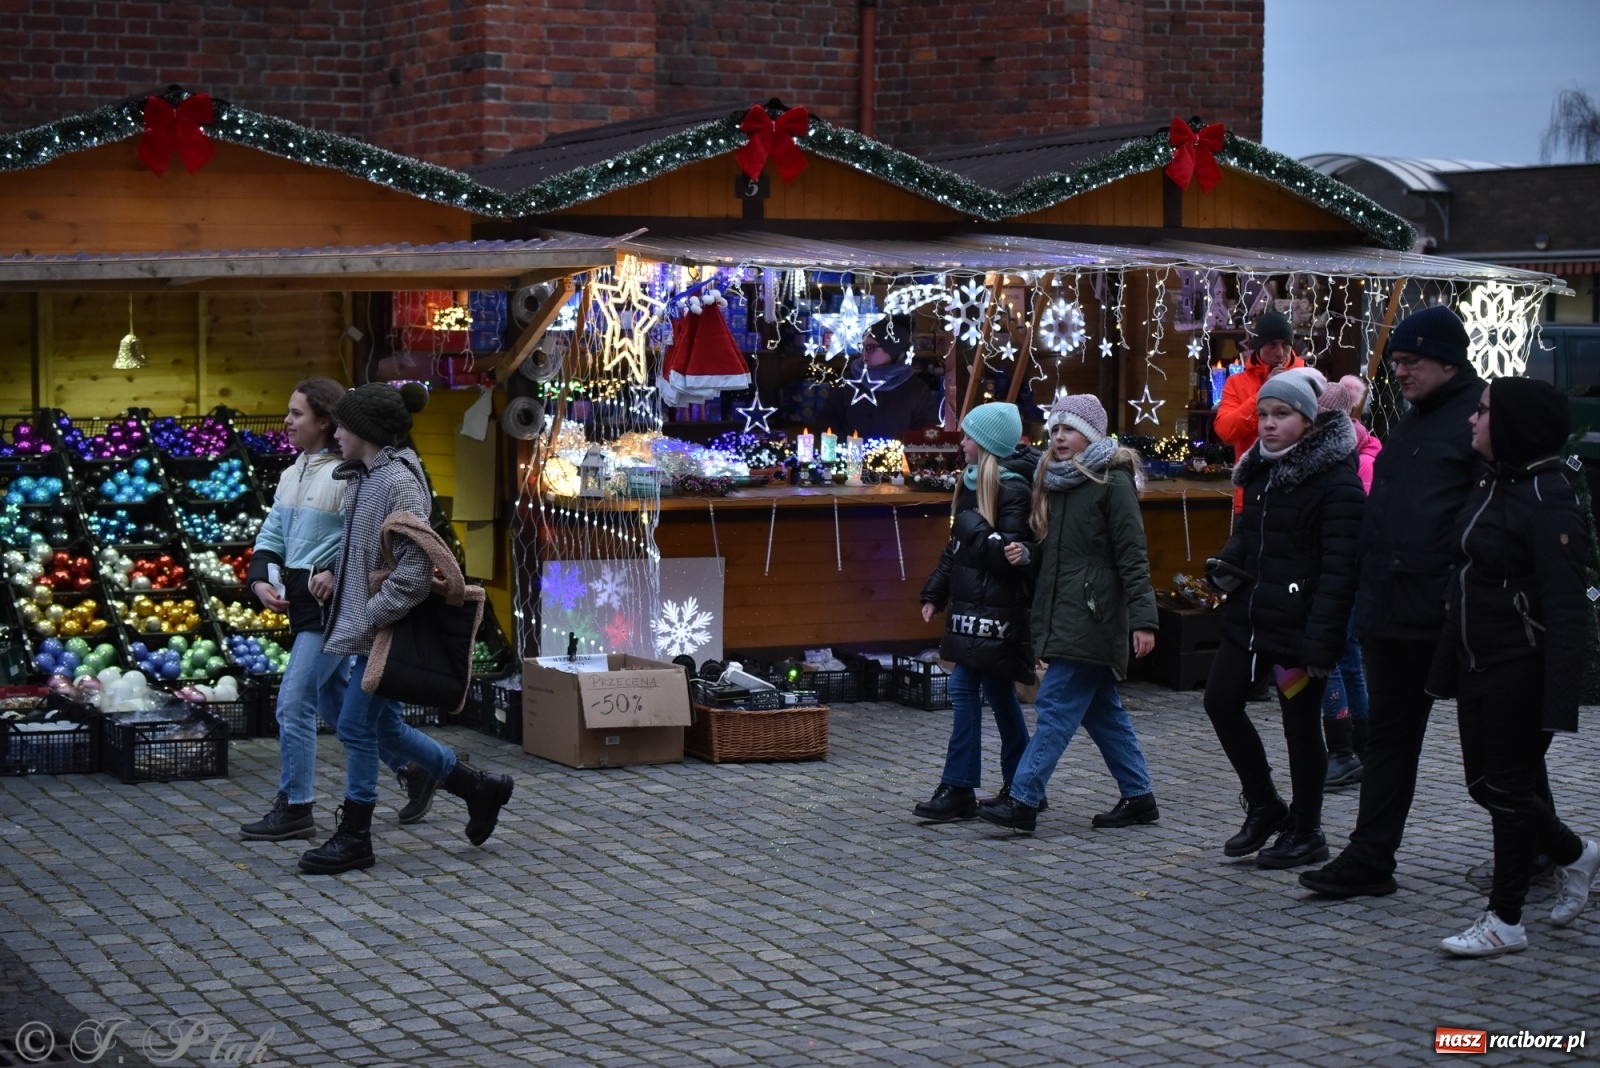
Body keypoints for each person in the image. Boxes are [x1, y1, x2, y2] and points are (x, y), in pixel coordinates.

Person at [1299, 306, 1485, 898]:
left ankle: (1547, 847)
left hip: (1452, 616)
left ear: (1447, 362)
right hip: (1392, 611)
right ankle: (1370, 858)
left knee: (1492, 754)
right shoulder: (1413, 421)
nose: (1399, 371)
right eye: (1397, 361)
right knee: (1389, 743)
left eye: (1412, 361)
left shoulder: (1479, 420)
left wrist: (1454, 593)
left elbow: (1486, 521)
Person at [298, 383, 514, 875]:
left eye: (343, 426)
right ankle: (479, 788)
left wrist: (371, 614)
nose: (337, 434)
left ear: (366, 431)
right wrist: (336, 573)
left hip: (387, 633)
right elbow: (366, 548)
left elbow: (415, 570)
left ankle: (356, 836)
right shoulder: (366, 478)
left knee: (355, 725)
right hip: (375, 629)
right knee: (384, 726)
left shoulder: (396, 482)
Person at [1430, 377, 1598, 956]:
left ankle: (1505, 920)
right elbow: (1466, 576)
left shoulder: (1549, 500)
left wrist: (1559, 702)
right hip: (1477, 660)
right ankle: (1577, 853)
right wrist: (1444, 666)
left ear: (1512, 426)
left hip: (1521, 667)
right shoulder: (1494, 482)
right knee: (1484, 784)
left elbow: (1569, 609)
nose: (1472, 420)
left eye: (1482, 412)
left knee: (1506, 789)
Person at [239, 378, 437, 842]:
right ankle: (416, 769)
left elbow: (363, 541)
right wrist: (260, 576)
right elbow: (272, 534)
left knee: (294, 703)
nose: (287, 421)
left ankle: (297, 806)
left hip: (332, 606)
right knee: (334, 703)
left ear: (326, 422)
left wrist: (331, 569)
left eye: (297, 413)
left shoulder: (350, 476)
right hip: (303, 603)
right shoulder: (294, 473)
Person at [1201, 368, 1364, 869]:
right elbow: (1249, 537)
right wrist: (1225, 564)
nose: (1268, 424)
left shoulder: (1336, 482)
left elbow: (1341, 571)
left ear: (1309, 421)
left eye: (1282, 414)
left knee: (1300, 727)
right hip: (1251, 619)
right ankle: (1265, 804)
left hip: (1298, 629)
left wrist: (1322, 640)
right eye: (1264, 414)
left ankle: (1307, 830)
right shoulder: (1259, 471)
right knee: (1219, 701)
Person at [979, 393, 1159, 835]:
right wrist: (1030, 556)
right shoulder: (1057, 482)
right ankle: (1139, 796)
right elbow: (1059, 554)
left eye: (1070, 429)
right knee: (1101, 711)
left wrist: (1144, 619)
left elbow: (1132, 555)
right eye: (1055, 429)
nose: (1059, 437)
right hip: (1067, 610)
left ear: (1091, 435)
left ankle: (1023, 798)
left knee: (1055, 703)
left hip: (1094, 615)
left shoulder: (1112, 482)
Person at [914, 402, 1037, 822]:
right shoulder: (972, 482)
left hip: (1000, 610)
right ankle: (1022, 785)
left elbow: (1008, 555)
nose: (962, 442)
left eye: (968, 436)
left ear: (986, 444)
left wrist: (971, 526)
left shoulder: (1013, 489)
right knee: (999, 692)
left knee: (965, 686)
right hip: (974, 607)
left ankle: (960, 786)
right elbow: (957, 549)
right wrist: (935, 591)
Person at [1315, 375, 1382, 788]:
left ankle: (1344, 749)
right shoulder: (1353, 452)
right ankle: (1361, 748)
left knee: (1335, 658)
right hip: (1350, 571)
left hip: (1345, 572)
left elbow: (1353, 525)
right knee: (1348, 659)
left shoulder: (1355, 460)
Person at [1214, 311, 1305, 513]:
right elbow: (1226, 430)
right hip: (1251, 496)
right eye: (1272, 344)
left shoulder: (1306, 380)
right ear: (1259, 346)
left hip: (1296, 495)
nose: (1280, 353)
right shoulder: (1236, 383)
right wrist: (1263, 394)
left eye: (1286, 345)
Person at [824, 315, 940, 440]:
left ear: (892, 351)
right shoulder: (847, 381)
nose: (864, 353)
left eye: (871, 348)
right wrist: (845, 446)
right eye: (862, 346)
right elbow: (827, 420)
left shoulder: (917, 390)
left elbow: (925, 434)